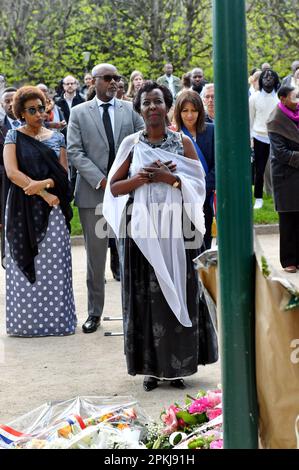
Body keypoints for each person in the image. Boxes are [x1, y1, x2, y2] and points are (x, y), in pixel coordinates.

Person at [103, 81, 218, 391]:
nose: (152, 107)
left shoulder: (183, 144)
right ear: (140, 110)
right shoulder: (130, 144)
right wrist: (139, 179)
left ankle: (176, 368)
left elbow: (197, 187)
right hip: (140, 233)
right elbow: (114, 188)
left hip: (177, 231)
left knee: (177, 292)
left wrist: (171, 179)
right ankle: (150, 369)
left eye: (157, 102)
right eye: (146, 103)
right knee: (145, 298)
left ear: (168, 107)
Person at [67, 62, 144, 334]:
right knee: (95, 259)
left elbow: (142, 142)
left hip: (128, 195)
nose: (114, 82)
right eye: (108, 78)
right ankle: (94, 313)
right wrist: (103, 180)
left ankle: (133, 311)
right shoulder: (78, 113)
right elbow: (75, 152)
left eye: (116, 78)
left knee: (130, 255)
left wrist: (124, 180)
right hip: (93, 194)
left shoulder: (130, 110)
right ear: (93, 82)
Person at [2, 86, 76, 336]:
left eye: (41, 108)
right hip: (22, 209)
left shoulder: (57, 138)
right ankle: (25, 324)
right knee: (24, 260)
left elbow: (63, 176)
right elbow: (12, 172)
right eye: (32, 110)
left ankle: (57, 322)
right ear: (21, 113)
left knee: (54, 265)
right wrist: (41, 191)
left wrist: (44, 184)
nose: (39, 114)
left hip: (53, 210)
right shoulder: (13, 136)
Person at [174, 90, 215, 250]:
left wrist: (202, 188)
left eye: (194, 110)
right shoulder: (173, 135)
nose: (190, 115)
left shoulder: (211, 130)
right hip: (182, 196)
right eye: (185, 111)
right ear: (179, 112)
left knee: (205, 238)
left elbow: (218, 165)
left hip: (206, 195)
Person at [267, 86, 299, 273]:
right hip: (285, 176)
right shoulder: (275, 121)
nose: (298, 100)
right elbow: (281, 153)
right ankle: (288, 260)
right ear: (283, 98)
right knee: (288, 220)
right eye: (295, 97)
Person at [249, 69, 280, 209]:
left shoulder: (280, 97)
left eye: (271, 77)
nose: (268, 79)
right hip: (259, 136)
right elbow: (250, 118)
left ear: (275, 80)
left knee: (278, 168)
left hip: (276, 137)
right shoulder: (254, 97)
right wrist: (250, 137)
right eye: (265, 77)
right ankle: (259, 198)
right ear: (260, 80)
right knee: (259, 169)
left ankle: (277, 195)